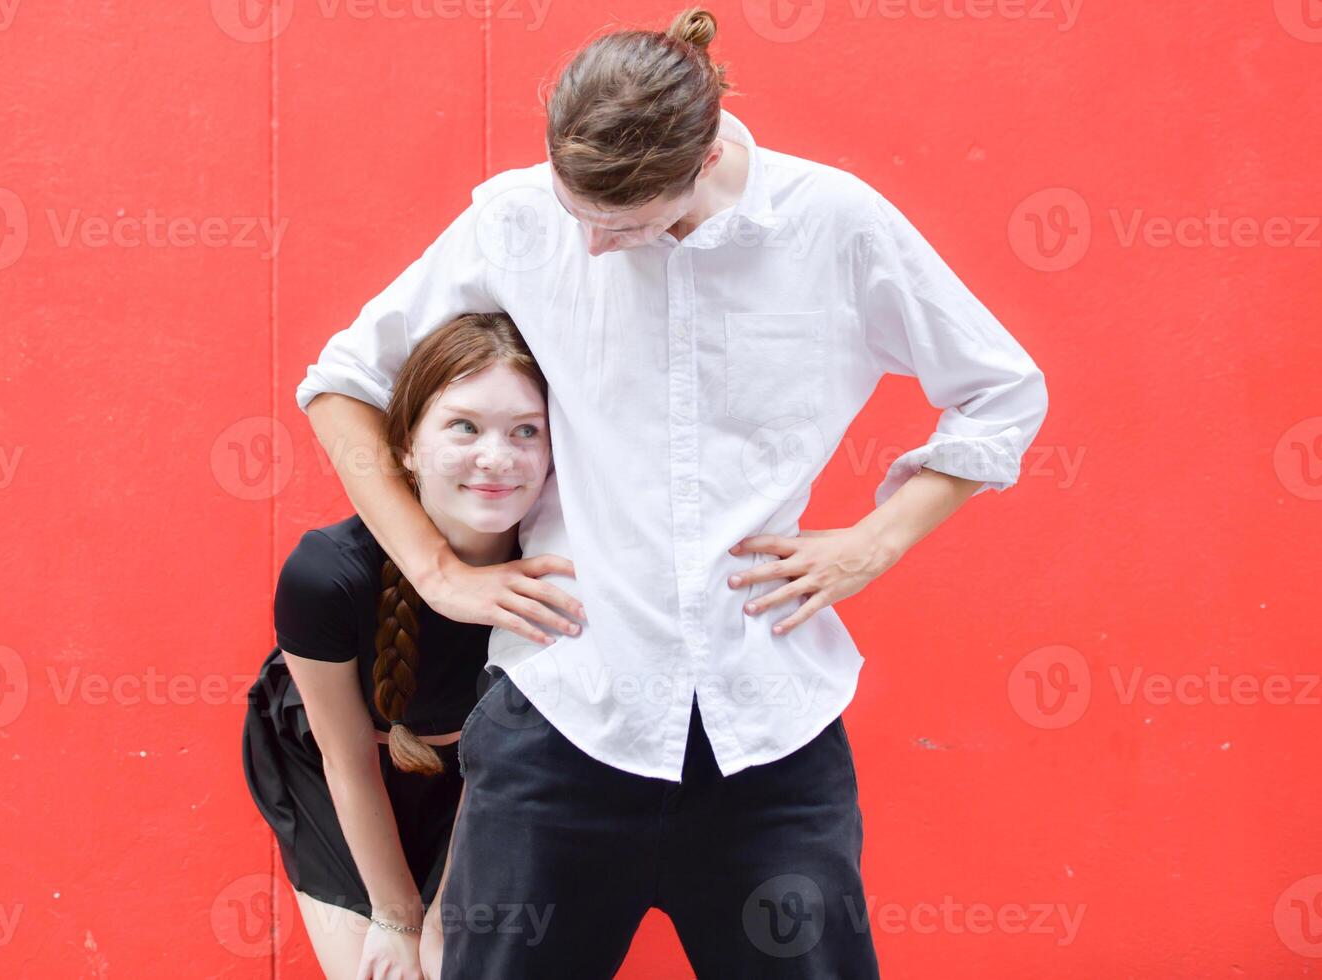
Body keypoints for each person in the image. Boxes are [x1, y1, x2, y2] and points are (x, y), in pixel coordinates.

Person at [297, 8, 1049, 977]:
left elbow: (1001, 390)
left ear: (700, 164)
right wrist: (436, 570)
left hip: (771, 734)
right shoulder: (519, 220)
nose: (598, 248)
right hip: (560, 716)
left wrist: (876, 540)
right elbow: (341, 382)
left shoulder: (834, 224)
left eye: (629, 225)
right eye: (583, 219)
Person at [241, 312, 569, 980]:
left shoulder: (561, 574)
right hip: (342, 770)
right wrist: (396, 916)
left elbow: (504, 767)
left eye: (526, 431)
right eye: (464, 426)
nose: (497, 457)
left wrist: (443, 915)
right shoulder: (327, 576)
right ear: (406, 445)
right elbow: (345, 757)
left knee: (459, 963)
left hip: (492, 777)